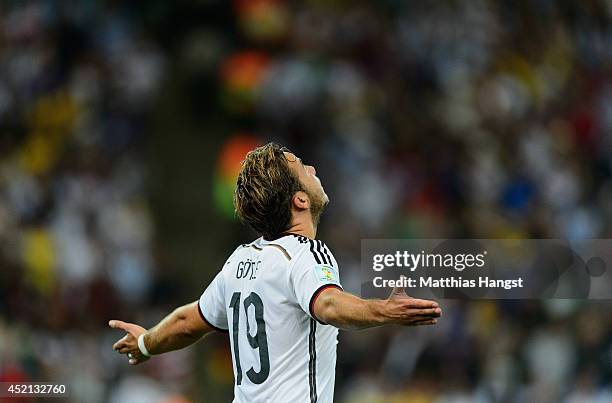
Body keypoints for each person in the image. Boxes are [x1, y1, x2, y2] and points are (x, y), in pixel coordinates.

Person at [109, 142, 442, 402]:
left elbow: (188, 322)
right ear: (299, 200)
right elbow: (328, 305)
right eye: (303, 168)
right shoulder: (306, 253)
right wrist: (382, 310)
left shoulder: (239, 262)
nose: (313, 168)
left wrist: (147, 343)